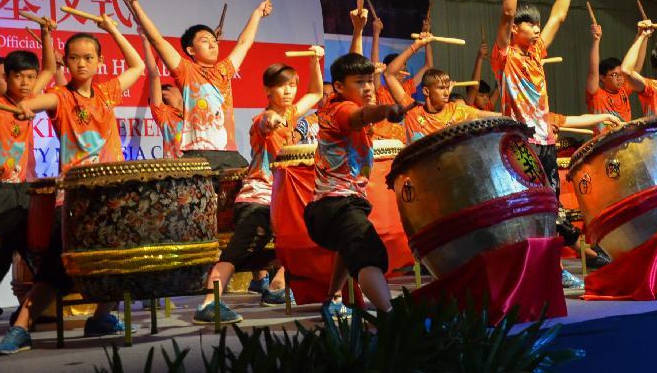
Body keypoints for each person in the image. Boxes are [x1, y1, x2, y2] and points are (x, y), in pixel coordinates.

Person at [0, 16, 144, 354]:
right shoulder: (61, 98)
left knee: (115, 258)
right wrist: (26, 110)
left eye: (89, 57)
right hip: (76, 196)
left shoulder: (107, 92)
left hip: (111, 195)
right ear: (65, 60)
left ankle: (102, 317)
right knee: (55, 268)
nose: (81, 63)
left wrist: (113, 29)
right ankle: (21, 328)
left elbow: (136, 66)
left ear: (99, 62)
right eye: (74, 57)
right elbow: (33, 104)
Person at [195, 50, 325, 324]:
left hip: (281, 200)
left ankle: (277, 286)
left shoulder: (290, 114)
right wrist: (270, 121)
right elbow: (265, 124)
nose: (289, 91)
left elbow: (315, 93)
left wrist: (314, 61)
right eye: (282, 85)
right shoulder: (261, 120)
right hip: (258, 199)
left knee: (309, 232)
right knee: (236, 253)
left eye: (292, 85)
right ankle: (209, 303)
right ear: (267, 89)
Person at [493, 0, 588, 289]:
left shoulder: (537, 54)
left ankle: (550, 266)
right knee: (527, 207)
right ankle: (525, 268)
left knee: (550, 207)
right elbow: (505, 13)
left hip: (545, 141)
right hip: (520, 143)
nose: (536, 28)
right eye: (528, 24)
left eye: (536, 24)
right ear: (515, 30)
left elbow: (560, 15)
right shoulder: (506, 57)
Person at [119, 0, 271, 173]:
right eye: (205, 41)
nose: (212, 44)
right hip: (199, 155)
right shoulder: (186, 71)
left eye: (214, 41)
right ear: (191, 49)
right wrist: (134, 2)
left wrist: (257, 13)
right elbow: (157, 40)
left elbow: (243, 43)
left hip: (229, 154)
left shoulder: (224, 70)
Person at [304, 52, 407, 316]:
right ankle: (391, 318)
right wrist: (386, 110)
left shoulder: (334, 104)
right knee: (366, 252)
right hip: (338, 205)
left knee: (347, 246)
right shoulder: (343, 110)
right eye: (360, 82)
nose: (369, 87)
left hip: (328, 208)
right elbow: (362, 115)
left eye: (370, 81)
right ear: (339, 86)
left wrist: (359, 31)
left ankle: (332, 300)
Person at [0, 18, 56, 321]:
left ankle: (33, 307)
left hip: (23, 189)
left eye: (29, 77)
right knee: (1, 251)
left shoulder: (30, 101)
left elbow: (49, 69)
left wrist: (46, 35)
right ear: (6, 77)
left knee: (32, 251)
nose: (25, 82)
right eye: (18, 77)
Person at [383, 33, 500, 143]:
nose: (446, 93)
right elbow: (388, 74)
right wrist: (416, 46)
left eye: (447, 88)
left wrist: (513, 116)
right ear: (426, 91)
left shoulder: (456, 110)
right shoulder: (412, 111)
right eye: (441, 88)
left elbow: (480, 114)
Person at [586, 21, 650, 130]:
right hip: (605, 144)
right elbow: (593, 70)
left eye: (621, 74)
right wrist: (596, 40)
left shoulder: (623, 90)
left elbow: (636, 66)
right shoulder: (596, 95)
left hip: (626, 141)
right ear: (602, 77)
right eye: (614, 74)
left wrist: (643, 37)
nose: (620, 78)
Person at [139, 30, 184, 158]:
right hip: (176, 174)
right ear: (165, 93)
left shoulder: (194, 111)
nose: (181, 90)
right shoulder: (165, 115)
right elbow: (154, 75)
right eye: (176, 88)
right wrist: (146, 43)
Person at [465, 40, 499, 111]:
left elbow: (499, 85)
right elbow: (474, 86)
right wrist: (480, 57)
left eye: (487, 96)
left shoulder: (488, 107)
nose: (486, 99)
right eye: (481, 95)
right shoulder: (469, 107)